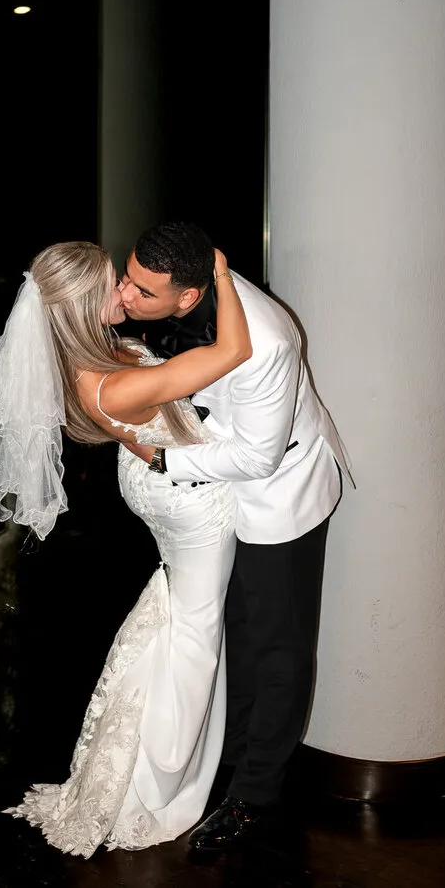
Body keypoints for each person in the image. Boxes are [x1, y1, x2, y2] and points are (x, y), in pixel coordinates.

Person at [0, 239, 252, 857]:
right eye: (113, 285)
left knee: (178, 617)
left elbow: (136, 422)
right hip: (187, 506)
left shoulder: (92, 354)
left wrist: (157, 451)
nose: (125, 293)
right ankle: (157, 785)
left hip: (160, 481)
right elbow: (233, 351)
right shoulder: (108, 380)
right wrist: (221, 274)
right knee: (196, 636)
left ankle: (151, 764)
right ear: (81, 307)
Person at [120, 220, 352, 852]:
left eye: (142, 291)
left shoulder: (267, 344)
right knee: (238, 632)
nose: (126, 295)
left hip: (280, 495)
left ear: (188, 296)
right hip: (225, 486)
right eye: (127, 277)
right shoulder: (190, 281)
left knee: (276, 646)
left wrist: (164, 460)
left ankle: (256, 797)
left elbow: (257, 457)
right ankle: (234, 761)